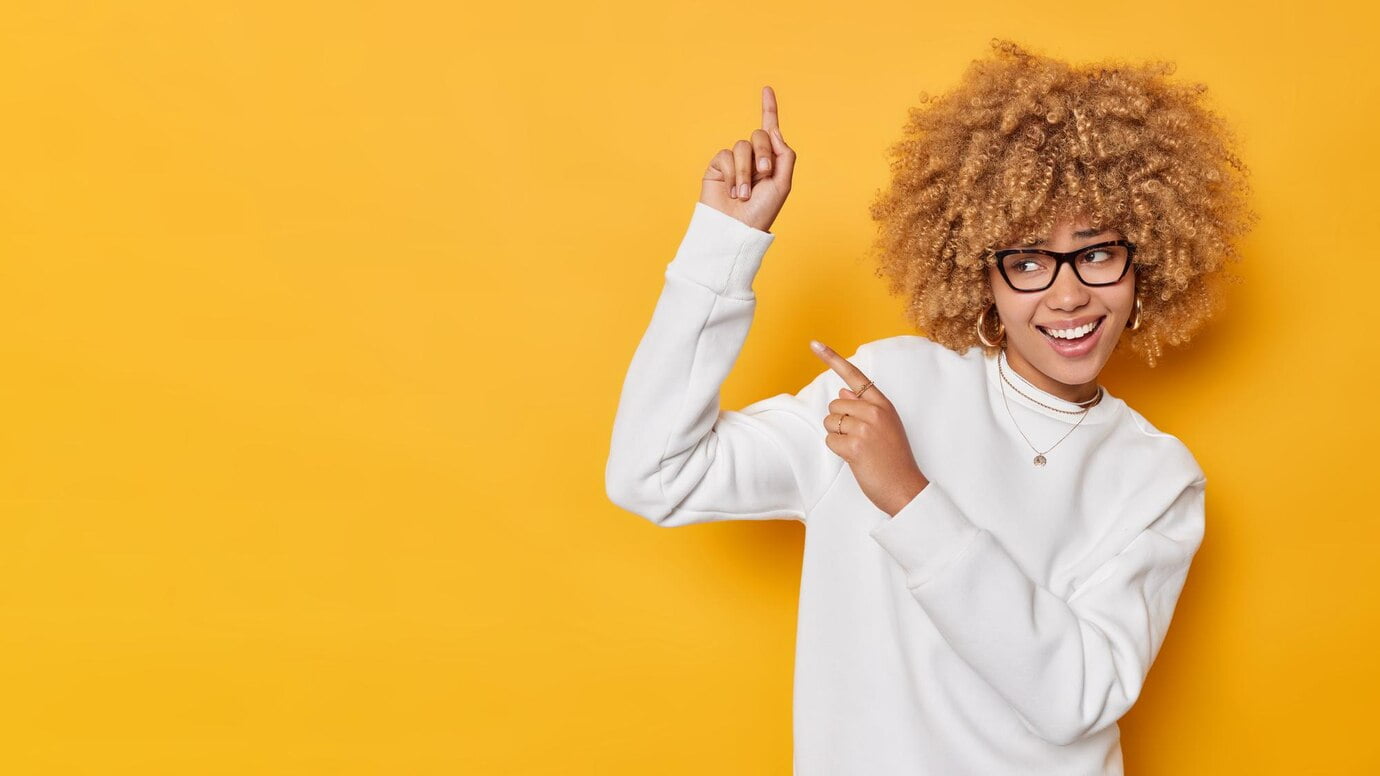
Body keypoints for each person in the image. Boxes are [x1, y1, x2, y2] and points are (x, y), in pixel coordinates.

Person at [604, 38, 1255, 776]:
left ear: (1147, 261)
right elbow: (653, 474)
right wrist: (724, 244)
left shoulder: (1157, 478)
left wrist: (908, 496)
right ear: (984, 276)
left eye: (1099, 253)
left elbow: (1075, 697)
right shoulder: (886, 390)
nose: (1068, 294)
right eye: (1029, 261)